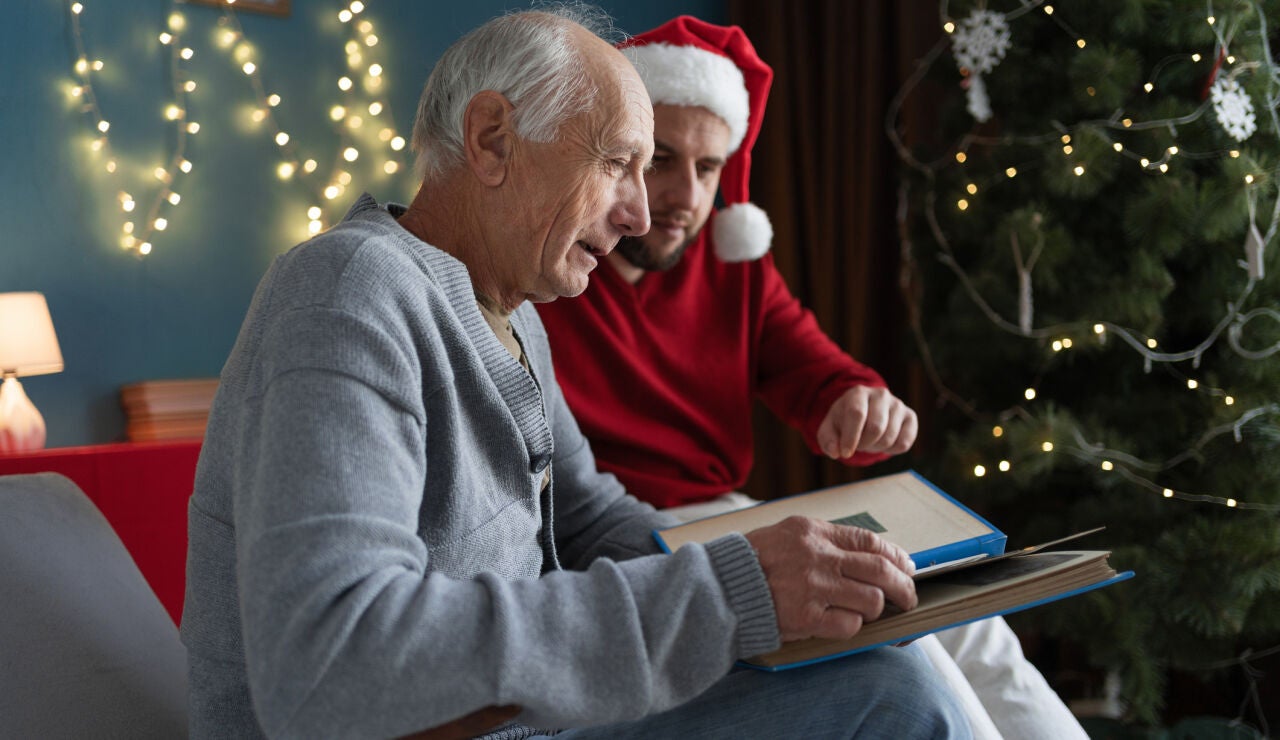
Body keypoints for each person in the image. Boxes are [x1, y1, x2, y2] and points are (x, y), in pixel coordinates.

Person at [180, 6, 973, 739]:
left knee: (888, 674)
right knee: (894, 698)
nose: (636, 214)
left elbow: (589, 520)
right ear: (492, 138)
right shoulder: (352, 292)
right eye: (619, 163)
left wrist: (783, 561)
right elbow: (327, 665)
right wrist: (732, 591)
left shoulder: (515, 312)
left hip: (534, 722)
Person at [536, 16, 1089, 740]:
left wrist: (857, 401)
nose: (681, 197)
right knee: (899, 621)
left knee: (976, 618)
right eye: (659, 160)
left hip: (730, 513)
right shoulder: (549, 273)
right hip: (633, 543)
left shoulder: (735, 270)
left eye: (707, 170)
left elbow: (813, 366)